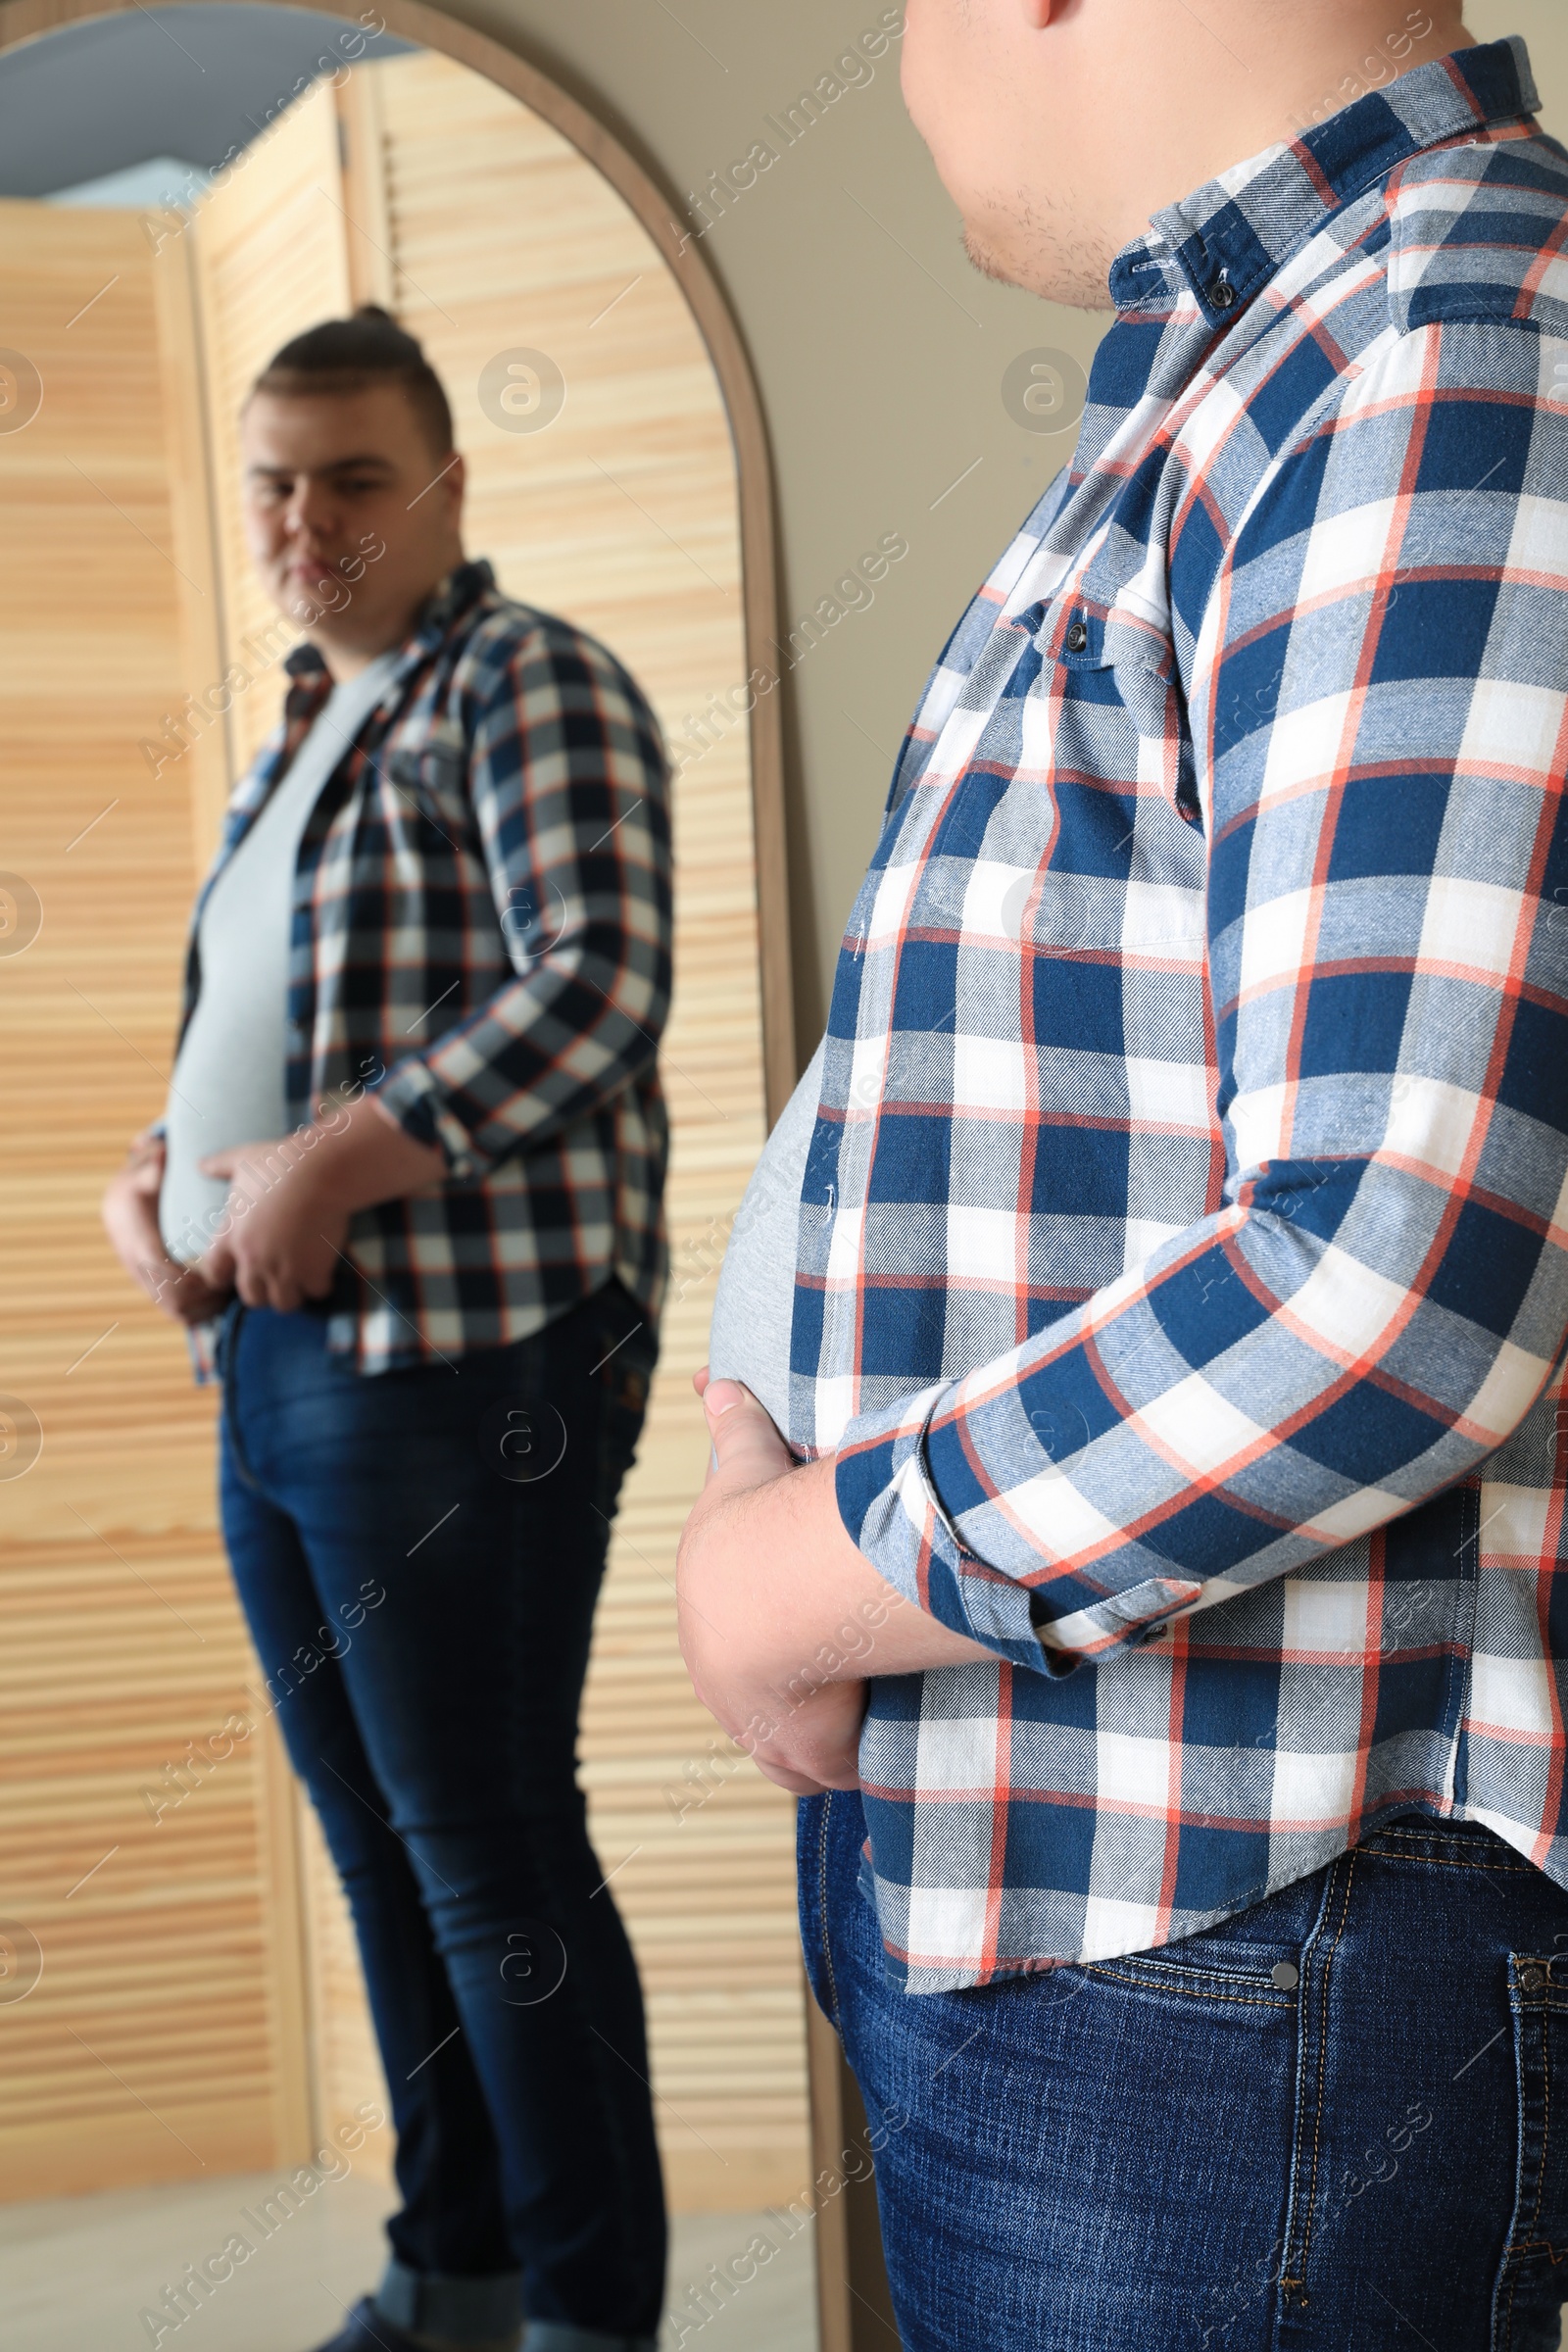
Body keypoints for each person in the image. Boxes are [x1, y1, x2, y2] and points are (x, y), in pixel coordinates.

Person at [684, 6, 1568, 2344]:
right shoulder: (1265, 370)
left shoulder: (1436, 352)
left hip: (1237, 1928)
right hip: (1063, 1868)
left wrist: (801, 1577)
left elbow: (1389, 1284)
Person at [103, 309, 670, 2352]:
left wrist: (328, 1163)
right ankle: (453, 2280)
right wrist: (165, 1188)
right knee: (387, 1852)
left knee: (491, 1852)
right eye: (274, 477)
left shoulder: (524, 685)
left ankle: (588, 2316)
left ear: (442, 486)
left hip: (469, 1364)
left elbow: (598, 983)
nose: (305, 517)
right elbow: (262, 1054)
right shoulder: (292, 753)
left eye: (352, 475)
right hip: (273, 1369)